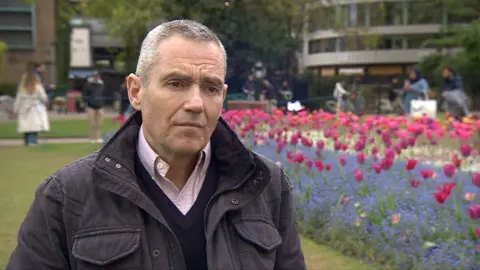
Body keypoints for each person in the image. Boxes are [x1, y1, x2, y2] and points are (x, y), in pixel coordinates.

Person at [7, 19, 306, 270]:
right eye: (176, 84)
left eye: (210, 88)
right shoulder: (67, 195)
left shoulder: (267, 187)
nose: (195, 103)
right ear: (136, 91)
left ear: (223, 95)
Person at [13, 71, 50, 146]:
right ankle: (32, 141)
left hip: (24, 108)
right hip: (35, 108)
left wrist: (15, 110)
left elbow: (18, 100)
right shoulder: (38, 87)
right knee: (34, 126)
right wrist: (46, 101)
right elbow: (44, 97)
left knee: (26, 126)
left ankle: (28, 141)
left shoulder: (22, 88)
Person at [82, 71, 105, 143]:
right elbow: (84, 95)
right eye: (95, 76)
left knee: (99, 123)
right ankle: (91, 138)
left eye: (97, 76)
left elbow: (102, 94)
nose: (96, 77)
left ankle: (98, 137)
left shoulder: (101, 84)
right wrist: (88, 102)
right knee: (92, 123)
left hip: (100, 106)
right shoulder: (88, 85)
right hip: (90, 106)